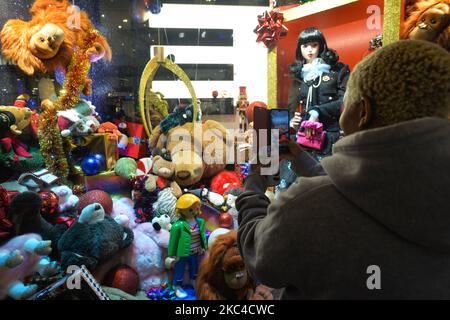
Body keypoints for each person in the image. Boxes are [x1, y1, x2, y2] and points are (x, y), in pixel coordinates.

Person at [236, 40, 450, 299]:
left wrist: (256, 179)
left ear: (363, 112)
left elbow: (258, 255)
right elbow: (366, 188)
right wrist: (302, 160)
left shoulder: (307, 203)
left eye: (344, 102)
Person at [287, 27, 350, 159]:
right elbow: (293, 106)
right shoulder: (299, 75)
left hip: (330, 135)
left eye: (314, 45)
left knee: (325, 175)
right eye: (305, 46)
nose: (310, 50)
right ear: (300, 49)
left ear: (321, 46)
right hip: (305, 137)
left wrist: (317, 111)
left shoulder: (338, 70)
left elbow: (345, 100)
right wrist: (292, 120)